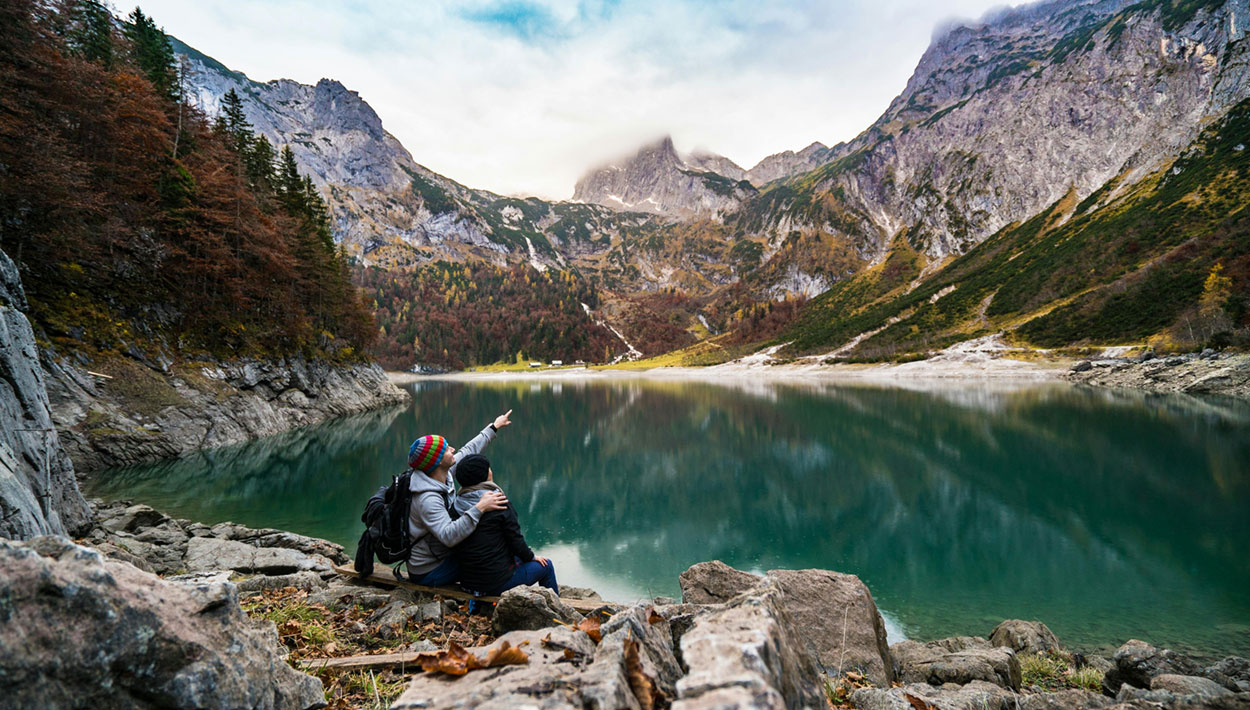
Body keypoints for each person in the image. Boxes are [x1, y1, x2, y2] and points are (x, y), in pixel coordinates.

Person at [405, 410, 513, 586]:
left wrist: (493, 427)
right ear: (438, 460)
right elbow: (448, 536)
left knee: (491, 552)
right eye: (447, 449)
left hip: (440, 554)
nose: (453, 449)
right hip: (429, 569)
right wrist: (480, 507)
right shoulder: (427, 499)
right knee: (492, 560)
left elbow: (468, 450)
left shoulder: (441, 473)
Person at [451, 453, 558, 598]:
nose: (491, 470)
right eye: (488, 468)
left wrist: (527, 556)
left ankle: (475, 606)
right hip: (496, 585)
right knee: (546, 566)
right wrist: (532, 557)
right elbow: (516, 541)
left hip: (468, 583)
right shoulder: (499, 504)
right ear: (485, 475)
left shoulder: (456, 504)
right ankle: (556, 612)